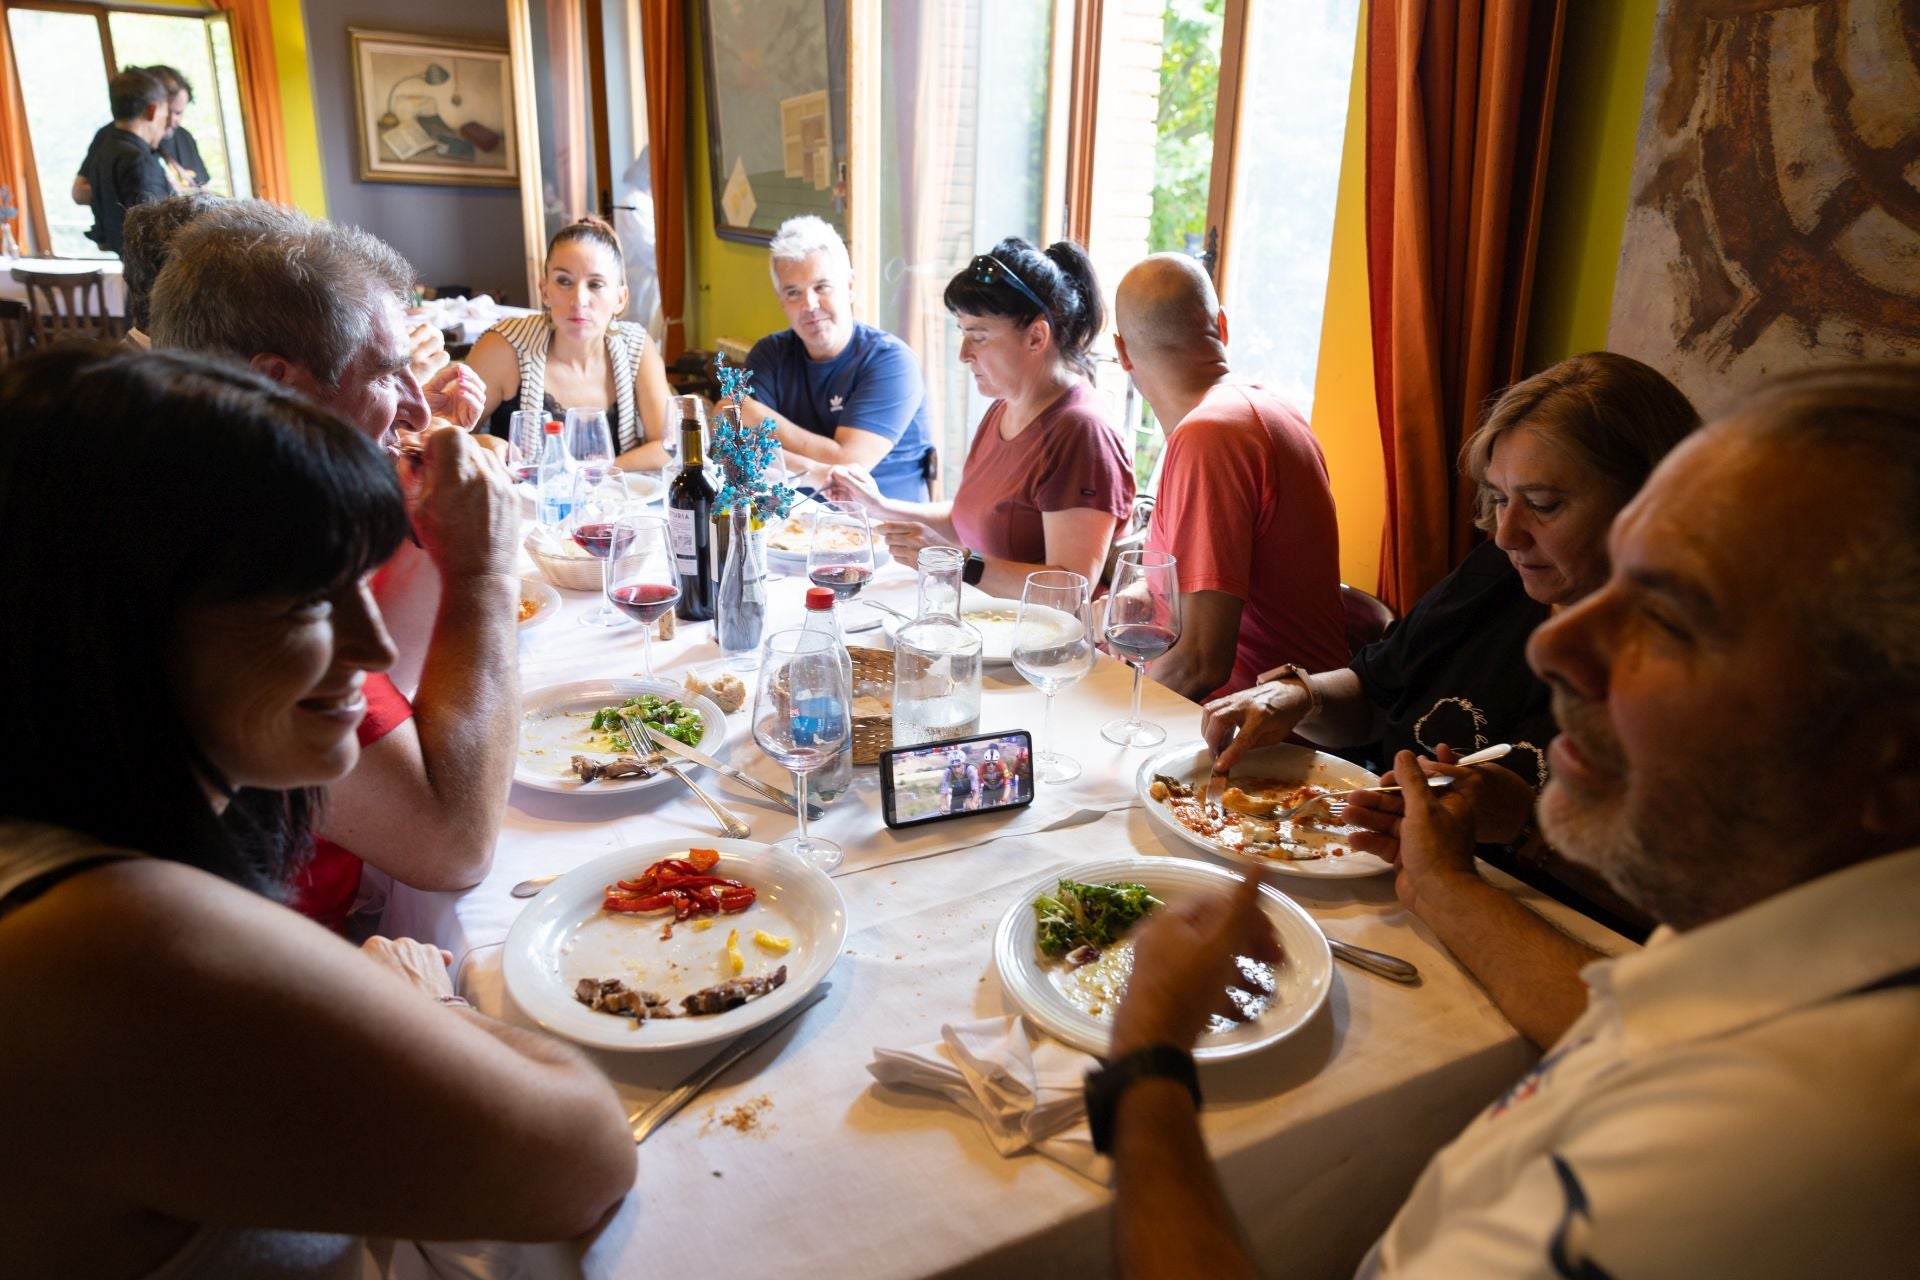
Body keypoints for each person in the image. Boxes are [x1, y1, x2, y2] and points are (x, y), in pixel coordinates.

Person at [1100, 363, 1920, 1278]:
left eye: (1675, 619)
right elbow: (1614, 1010)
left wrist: (1146, 1068)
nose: (1554, 643)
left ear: (1898, 759)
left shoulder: (1774, 1138)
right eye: (1496, 501)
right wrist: (1438, 879)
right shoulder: (1771, 954)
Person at [0, 345, 635, 1277]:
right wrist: (419, 1006)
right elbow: (582, 1156)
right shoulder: (117, 947)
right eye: (309, 601)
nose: (369, 644)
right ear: (118, 626)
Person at [1202, 352, 1699, 931]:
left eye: (1543, 505)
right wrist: (1299, 697)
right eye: (1500, 498)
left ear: (1650, 502)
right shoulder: (1501, 574)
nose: (1508, 534)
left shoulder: (1703, 667)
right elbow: (1374, 689)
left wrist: (1526, 827)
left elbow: (1691, 912)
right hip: (1362, 884)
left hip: (1532, 934)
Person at [150, 201, 511, 931]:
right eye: (388, 374)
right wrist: (485, 574)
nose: (416, 407)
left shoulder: (203, 499)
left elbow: (396, 674)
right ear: (280, 384)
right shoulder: (242, 592)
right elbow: (453, 845)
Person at [829, 238, 1134, 595]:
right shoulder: (1004, 408)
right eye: (963, 334)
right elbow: (970, 521)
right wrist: (882, 507)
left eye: (979, 337)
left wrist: (959, 563)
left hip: (1041, 645)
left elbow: (1069, 590)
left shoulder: (1082, 432)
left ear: (1036, 337)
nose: (963, 353)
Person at [1113, 253, 1347, 700]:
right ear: (1222, 326)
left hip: (1261, 745)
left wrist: (1105, 719)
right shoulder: (1269, 410)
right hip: (1296, 725)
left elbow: (1200, 664)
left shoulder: (1209, 437)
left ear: (1122, 352)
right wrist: (1152, 589)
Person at [739, 215, 935, 499]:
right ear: (781, 300)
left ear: (850, 286)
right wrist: (812, 468)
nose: (810, 305)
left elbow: (849, 464)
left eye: (822, 287)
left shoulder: (892, 362)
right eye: (793, 292)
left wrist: (759, 418)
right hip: (794, 527)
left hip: (886, 532)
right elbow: (739, 450)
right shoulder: (769, 355)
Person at [464, 215, 671, 470]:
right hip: (517, 505)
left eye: (595, 284)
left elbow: (667, 445)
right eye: (564, 282)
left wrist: (598, 476)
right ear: (545, 290)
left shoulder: (636, 348)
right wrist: (483, 443)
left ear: (620, 298)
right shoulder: (506, 347)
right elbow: (440, 434)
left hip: (610, 505)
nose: (579, 299)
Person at [76, 66, 170, 254]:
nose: (164, 126)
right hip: (153, 274)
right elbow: (156, 235)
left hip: (128, 265)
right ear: (152, 111)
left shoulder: (104, 150)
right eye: (165, 116)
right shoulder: (139, 160)